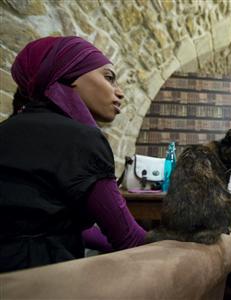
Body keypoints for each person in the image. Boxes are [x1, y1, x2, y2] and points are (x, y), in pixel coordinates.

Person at [0, 36, 148, 273]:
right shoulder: (82, 139)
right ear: (68, 75)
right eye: (109, 78)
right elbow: (128, 238)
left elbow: (47, 223)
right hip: (43, 281)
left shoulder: (7, 129)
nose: (119, 92)